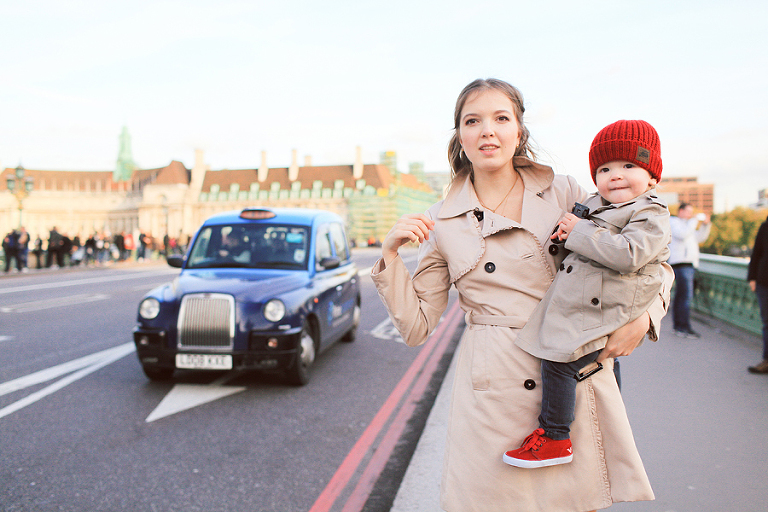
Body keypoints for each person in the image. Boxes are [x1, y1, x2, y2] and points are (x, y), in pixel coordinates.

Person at [371, 78, 672, 511]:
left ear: (519, 131)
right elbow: (417, 327)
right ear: (460, 136)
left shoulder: (568, 192)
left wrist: (644, 319)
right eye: (472, 121)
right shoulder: (441, 221)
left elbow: (651, 259)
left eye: (501, 118)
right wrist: (390, 255)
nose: (487, 130)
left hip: (574, 366)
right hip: (494, 385)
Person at [504, 120, 670, 469]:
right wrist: (565, 237)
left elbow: (631, 255)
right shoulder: (595, 204)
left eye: (629, 166)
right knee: (590, 367)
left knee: (562, 362)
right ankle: (587, 436)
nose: (616, 175)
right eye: (605, 169)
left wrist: (579, 232)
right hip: (586, 304)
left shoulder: (649, 212)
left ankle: (555, 436)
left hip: (609, 307)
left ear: (652, 177)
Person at [668, 202, 711, 338]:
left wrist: (705, 225)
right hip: (680, 263)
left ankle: (680, 326)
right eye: (688, 211)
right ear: (680, 211)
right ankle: (682, 327)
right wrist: (694, 221)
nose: (690, 214)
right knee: (685, 297)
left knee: (683, 296)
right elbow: (682, 235)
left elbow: (700, 238)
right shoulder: (673, 222)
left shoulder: (689, 226)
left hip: (690, 264)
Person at [747, 215, 768, 374]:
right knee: (767, 322)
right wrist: (752, 277)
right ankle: (766, 360)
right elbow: (757, 252)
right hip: (764, 281)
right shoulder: (765, 226)